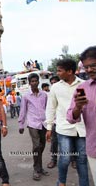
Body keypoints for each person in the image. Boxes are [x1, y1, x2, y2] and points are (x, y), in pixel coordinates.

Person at [45, 59, 89, 186]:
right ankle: (61, 182)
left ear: (70, 71)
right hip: (64, 129)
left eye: (59, 70)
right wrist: (49, 127)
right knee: (64, 159)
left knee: (81, 160)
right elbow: (51, 107)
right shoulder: (55, 87)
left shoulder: (84, 85)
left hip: (82, 129)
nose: (57, 73)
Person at [67, 46, 96, 185]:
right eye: (86, 67)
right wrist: (78, 107)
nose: (89, 70)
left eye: (93, 65)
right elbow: (71, 117)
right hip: (94, 148)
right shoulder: (82, 89)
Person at [18, 73, 49, 181]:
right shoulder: (26, 96)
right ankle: (36, 169)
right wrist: (21, 124)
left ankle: (39, 167)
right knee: (36, 146)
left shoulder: (44, 94)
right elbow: (23, 110)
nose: (34, 83)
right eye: (32, 81)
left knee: (42, 145)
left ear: (38, 82)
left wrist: (51, 122)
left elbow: (48, 109)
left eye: (36, 81)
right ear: (29, 83)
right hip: (32, 124)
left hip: (44, 123)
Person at [46, 76, 60, 169]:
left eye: (55, 82)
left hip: (67, 122)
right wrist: (49, 127)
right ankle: (53, 160)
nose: (53, 84)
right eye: (52, 83)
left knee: (70, 142)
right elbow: (50, 109)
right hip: (55, 122)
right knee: (54, 143)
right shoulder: (50, 94)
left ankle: (73, 159)